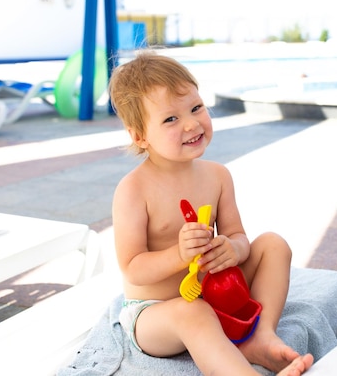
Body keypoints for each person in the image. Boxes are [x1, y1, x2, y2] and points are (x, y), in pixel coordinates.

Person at [108, 51, 314, 376]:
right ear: (139, 136)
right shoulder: (134, 190)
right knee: (194, 313)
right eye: (170, 119)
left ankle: (259, 336)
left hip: (216, 293)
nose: (191, 123)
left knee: (273, 244)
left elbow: (238, 236)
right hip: (156, 314)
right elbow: (133, 268)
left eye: (196, 108)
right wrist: (178, 255)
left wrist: (233, 249)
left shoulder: (217, 176)